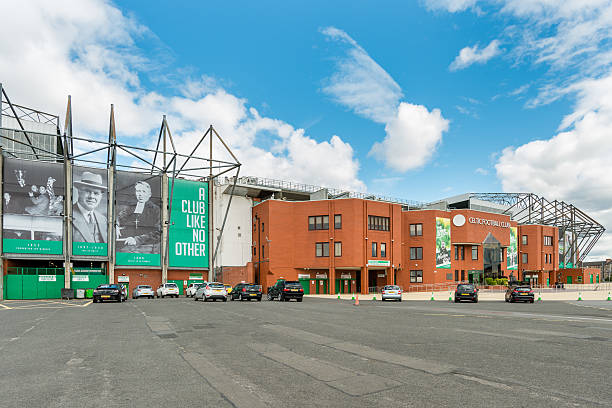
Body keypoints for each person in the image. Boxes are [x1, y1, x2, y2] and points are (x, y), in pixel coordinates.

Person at [116, 180, 161, 253]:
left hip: (148, 246)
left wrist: (137, 239)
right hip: (130, 243)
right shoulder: (131, 207)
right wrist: (116, 226)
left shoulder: (156, 210)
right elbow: (119, 217)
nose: (140, 194)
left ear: (149, 194)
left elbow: (159, 232)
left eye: (143, 191)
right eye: (138, 191)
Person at [72, 171, 107, 243]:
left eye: (96, 193)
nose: (92, 196)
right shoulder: (67, 215)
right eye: (87, 191)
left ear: (101, 196)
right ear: (79, 191)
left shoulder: (103, 219)